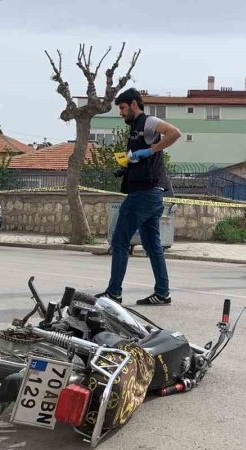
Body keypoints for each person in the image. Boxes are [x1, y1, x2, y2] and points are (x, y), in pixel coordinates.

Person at [99, 88, 182, 306]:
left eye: (123, 108)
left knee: (119, 240)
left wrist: (151, 150)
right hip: (152, 193)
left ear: (134, 104)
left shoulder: (148, 122)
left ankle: (113, 293)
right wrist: (126, 166)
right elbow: (141, 159)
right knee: (152, 245)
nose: (121, 113)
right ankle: (162, 293)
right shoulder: (135, 128)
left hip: (144, 193)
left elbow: (174, 133)